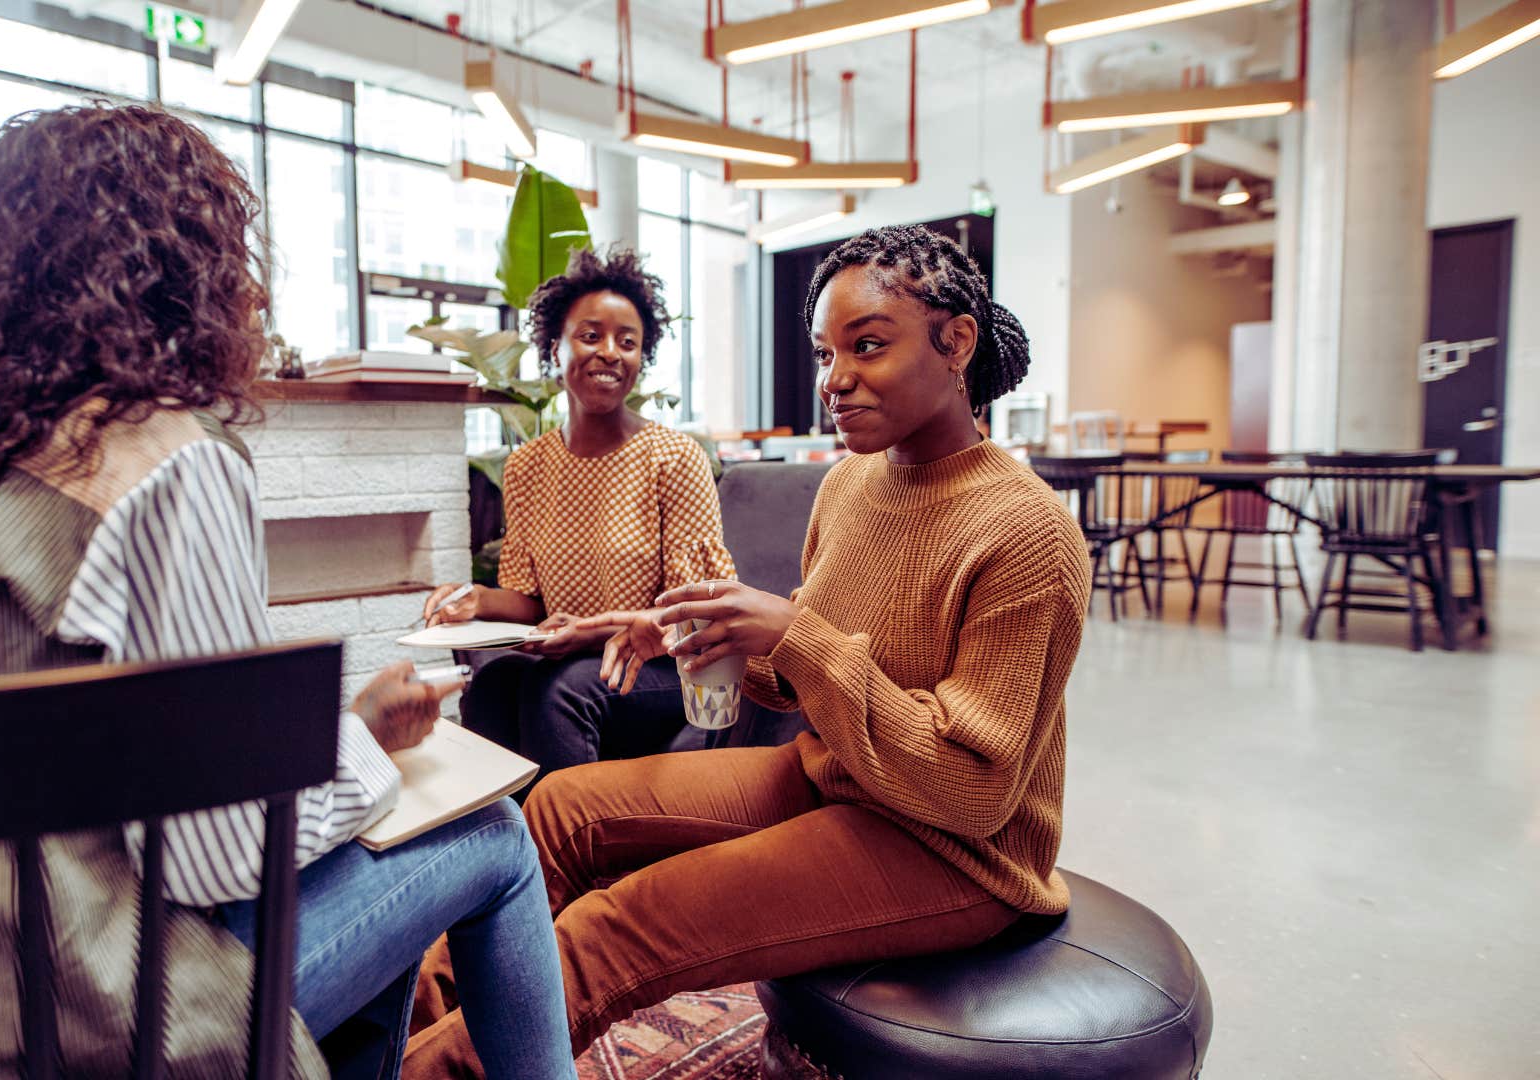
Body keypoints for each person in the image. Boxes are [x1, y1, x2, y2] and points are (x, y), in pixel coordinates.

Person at [0, 103, 573, 1080]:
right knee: (490, 835)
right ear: (184, 270)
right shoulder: (161, 457)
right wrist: (369, 754)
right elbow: (217, 861)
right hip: (81, 1033)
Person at [404, 225, 1092, 1078]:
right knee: (555, 814)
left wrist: (797, 637)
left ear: (956, 342)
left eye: (868, 346)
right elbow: (789, 680)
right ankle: (379, 1039)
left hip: (955, 851)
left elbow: (972, 791)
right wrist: (706, 633)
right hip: (833, 776)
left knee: (614, 929)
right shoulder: (848, 484)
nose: (835, 381)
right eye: (825, 353)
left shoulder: (1027, 531)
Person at [421, 247, 733, 780]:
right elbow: (526, 600)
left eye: (627, 342)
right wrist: (471, 600)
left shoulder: (675, 457)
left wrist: (590, 632)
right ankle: (508, 846)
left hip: (663, 666)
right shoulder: (526, 467)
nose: (610, 353)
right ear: (554, 346)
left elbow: (700, 612)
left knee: (557, 689)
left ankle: (568, 857)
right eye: (591, 336)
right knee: (495, 684)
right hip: (578, 662)